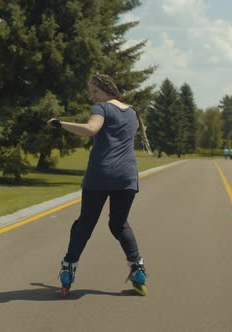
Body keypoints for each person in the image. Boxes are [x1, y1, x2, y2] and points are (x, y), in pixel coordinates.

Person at [47, 73, 149, 297]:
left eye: (94, 92)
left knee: (85, 224)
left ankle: (67, 271)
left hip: (101, 175)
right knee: (119, 224)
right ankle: (138, 269)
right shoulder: (132, 112)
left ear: (106, 89)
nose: (92, 97)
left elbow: (91, 129)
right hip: (127, 177)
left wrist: (60, 124)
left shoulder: (102, 109)